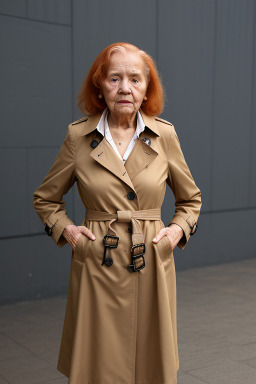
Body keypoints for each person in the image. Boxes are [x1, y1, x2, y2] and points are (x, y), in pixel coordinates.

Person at [33, 42, 202, 384]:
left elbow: (190, 200)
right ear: (100, 85)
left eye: (135, 79)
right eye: (114, 78)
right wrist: (68, 232)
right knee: (98, 365)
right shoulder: (78, 136)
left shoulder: (164, 135)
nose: (125, 87)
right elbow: (46, 199)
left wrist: (174, 233)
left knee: (149, 363)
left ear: (146, 88)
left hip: (151, 261)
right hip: (98, 262)